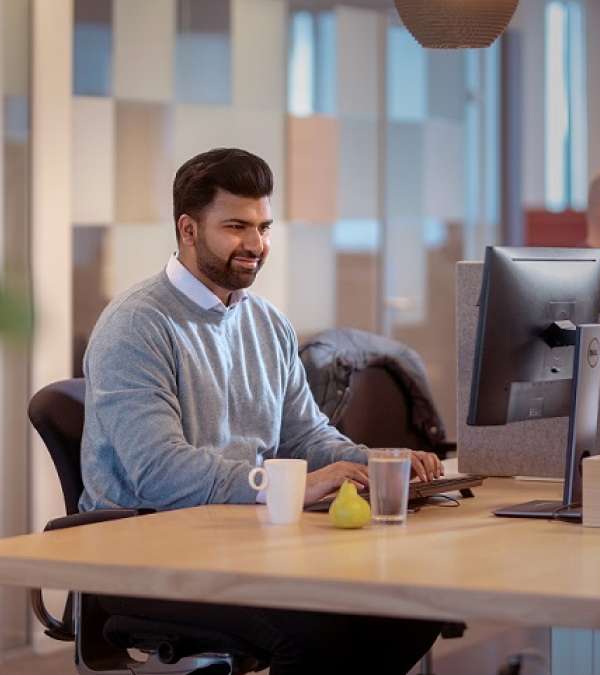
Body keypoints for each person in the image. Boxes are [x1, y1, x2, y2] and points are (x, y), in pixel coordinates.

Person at [79, 147, 445, 674]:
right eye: (236, 227)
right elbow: (159, 473)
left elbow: (305, 436)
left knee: (408, 611)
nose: (256, 245)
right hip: (149, 556)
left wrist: (378, 460)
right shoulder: (137, 326)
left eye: (264, 227)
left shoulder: (267, 324)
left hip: (243, 545)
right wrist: (285, 486)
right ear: (188, 228)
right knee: (324, 629)